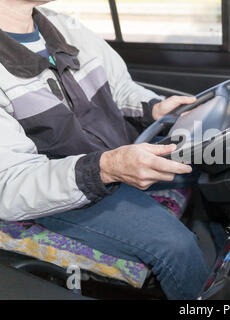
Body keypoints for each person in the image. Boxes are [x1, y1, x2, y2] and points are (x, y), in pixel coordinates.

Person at [0, 0, 210, 299]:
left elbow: (121, 87)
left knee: (204, 166)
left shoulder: (65, 27)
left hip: (114, 160)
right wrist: (104, 168)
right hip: (58, 193)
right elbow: (10, 183)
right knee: (176, 246)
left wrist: (153, 107)